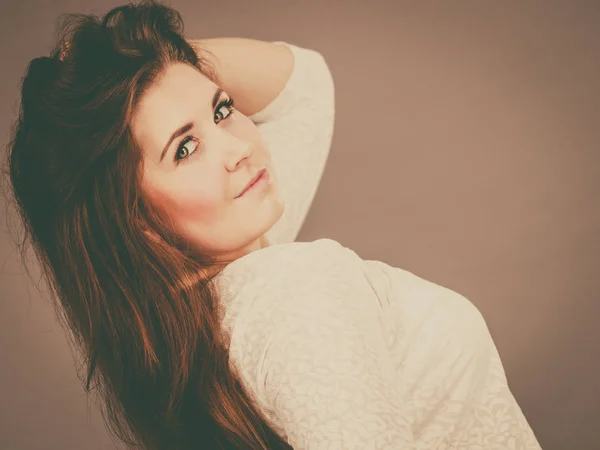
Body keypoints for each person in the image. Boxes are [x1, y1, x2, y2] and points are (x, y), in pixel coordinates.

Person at [4, 1, 543, 449]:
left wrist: (139, 68)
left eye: (221, 110)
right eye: (185, 148)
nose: (238, 147)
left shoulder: (199, 321)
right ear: (136, 224)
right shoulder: (293, 289)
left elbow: (302, 88)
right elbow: (302, 84)